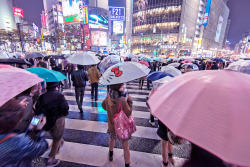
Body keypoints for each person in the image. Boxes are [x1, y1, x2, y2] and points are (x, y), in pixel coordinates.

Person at [0, 98, 48, 167]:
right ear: (17, 122)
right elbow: (42, 147)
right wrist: (39, 130)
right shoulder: (20, 141)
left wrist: (16, 108)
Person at [35, 82, 69, 166]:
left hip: (47, 120)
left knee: (54, 134)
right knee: (56, 139)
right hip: (58, 120)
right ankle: (51, 158)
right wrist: (64, 114)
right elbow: (65, 107)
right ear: (56, 86)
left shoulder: (42, 97)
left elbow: (38, 109)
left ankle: (59, 143)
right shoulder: (59, 96)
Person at [101, 83, 133, 167]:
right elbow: (128, 112)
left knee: (112, 139)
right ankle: (127, 164)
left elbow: (103, 105)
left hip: (112, 125)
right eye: (122, 86)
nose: (123, 87)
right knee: (125, 146)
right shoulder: (122, 100)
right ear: (117, 88)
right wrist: (129, 101)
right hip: (121, 127)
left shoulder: (109, 96)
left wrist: (110, 110)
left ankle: (110, 154)